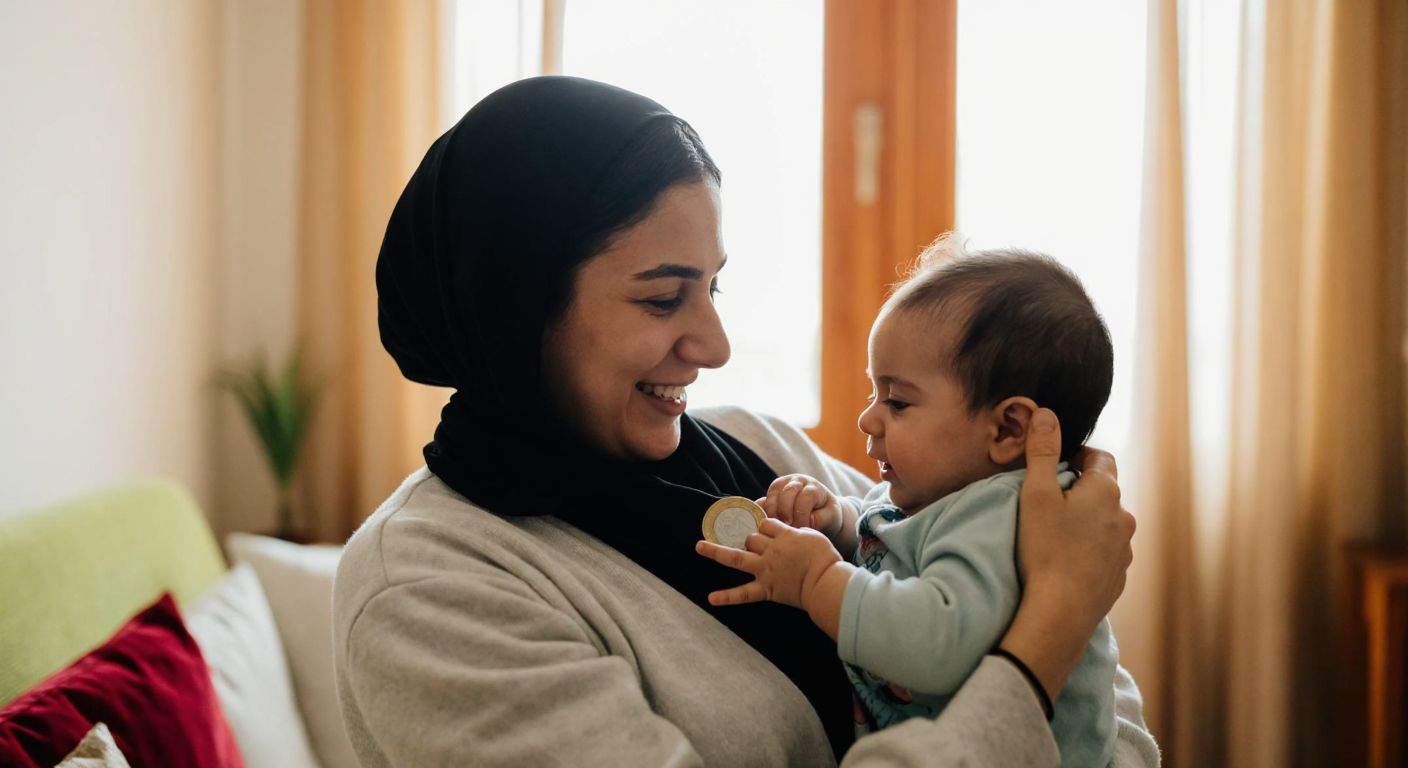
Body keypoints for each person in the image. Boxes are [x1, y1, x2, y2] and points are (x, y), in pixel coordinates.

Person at [333, 75, 1159, 767]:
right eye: (663, 297)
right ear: (513, 307)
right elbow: (1053, 613)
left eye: (712, 288)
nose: (715, 345)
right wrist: (1048, 629)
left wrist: (1062, 637)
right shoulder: (429, 588)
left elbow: (1072, 672)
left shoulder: (761, 448)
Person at [696, 239, 1119, 767]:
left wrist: (817, 581)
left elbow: (939, 639)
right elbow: (893, 540)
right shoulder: (946, 493)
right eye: (874, 394)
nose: (868, 419)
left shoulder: (1000, 516)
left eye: (897, 401)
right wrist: (838, 519)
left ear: (1009, 428)